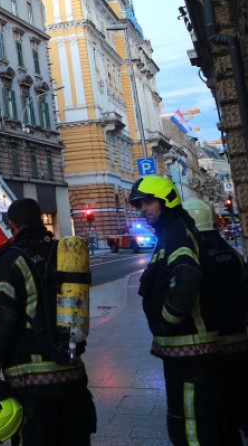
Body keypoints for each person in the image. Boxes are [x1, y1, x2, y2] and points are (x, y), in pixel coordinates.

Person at [131, 176, 241, 445]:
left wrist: (167, 322)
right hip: (187, 354)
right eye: (140, 204)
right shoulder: (171, 233)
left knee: (192, 429)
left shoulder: (177, 233)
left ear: (166, 200)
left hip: (191, 355)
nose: (143, 209)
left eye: (148, 201)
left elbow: (188, 276)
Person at [0, 198, 96, 445]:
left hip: (33, 384)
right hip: (73, 375)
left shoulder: (11, 260)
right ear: (41, 219)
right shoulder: (62, 253)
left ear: (12, 224)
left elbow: (1, 321)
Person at [182, 197, 248, 443]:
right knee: (239, 408)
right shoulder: (233, 254)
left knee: (215, 416)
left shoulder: (193, 256)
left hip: (209, 349)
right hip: (240, 343)